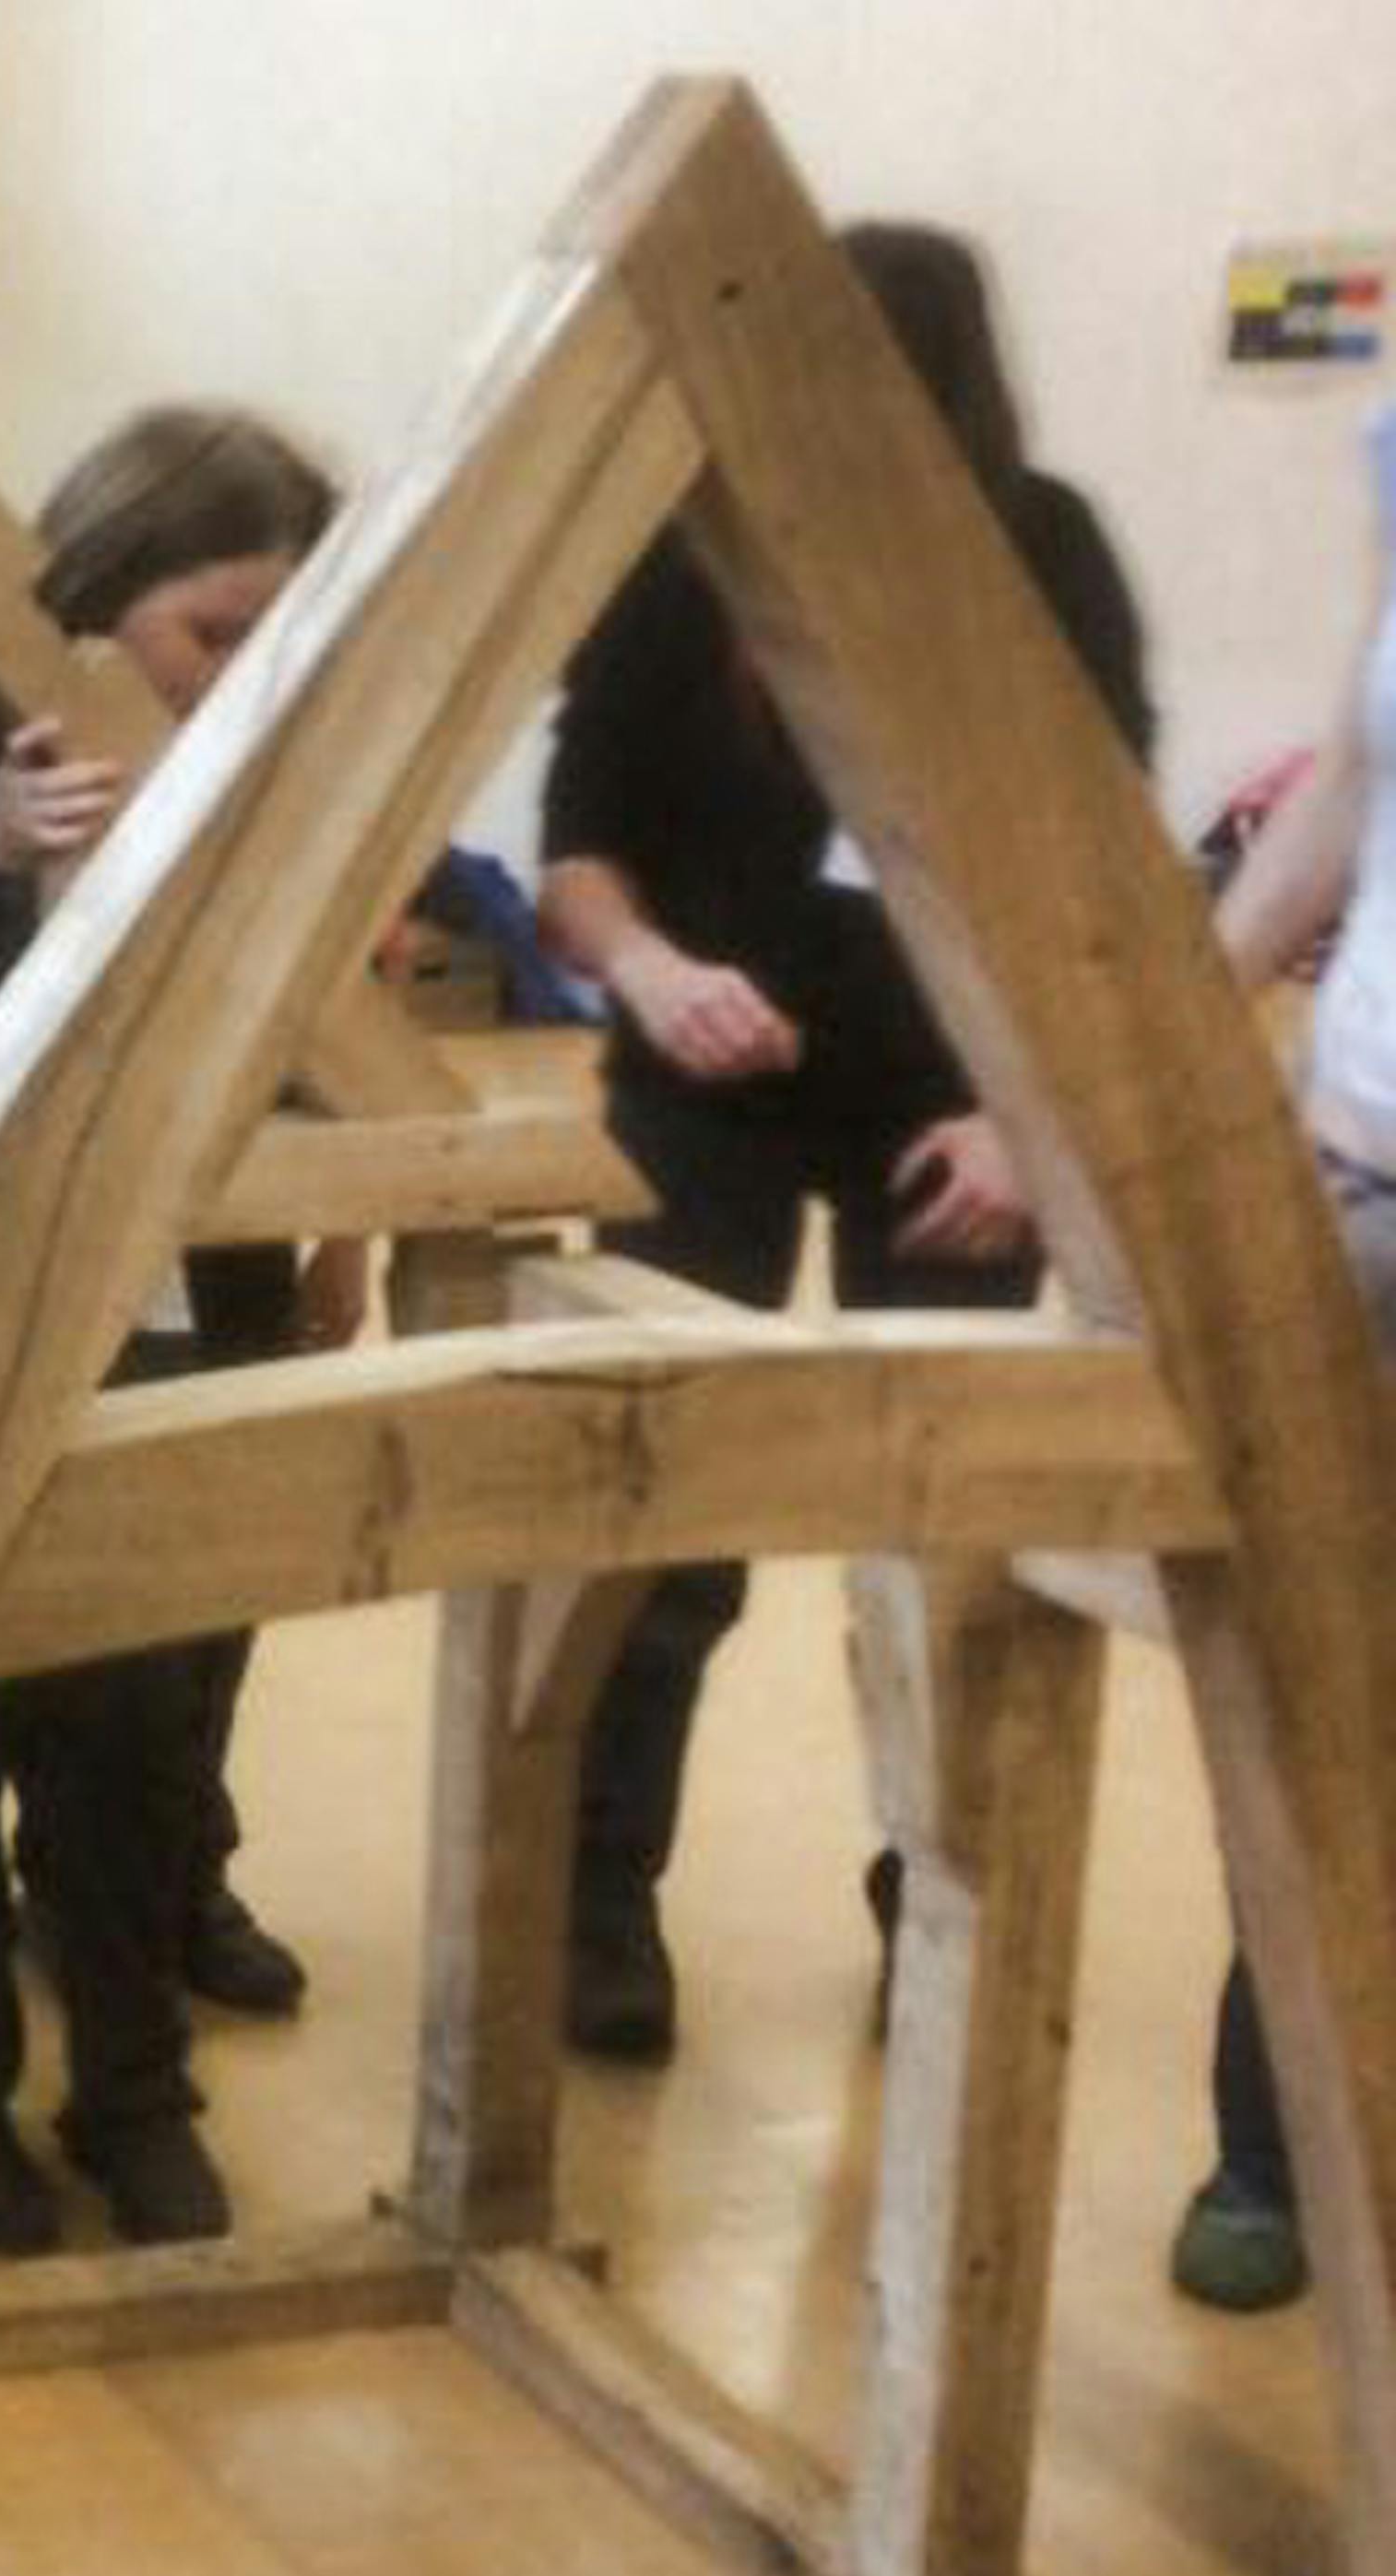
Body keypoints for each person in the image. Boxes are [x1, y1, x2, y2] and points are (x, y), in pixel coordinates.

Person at [532, 223, 1153, 2060]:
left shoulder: (1040, 551)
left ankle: (935, 1906)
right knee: (661, 1503)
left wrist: (1025, 1122)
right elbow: (576, 854)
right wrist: (653, 975)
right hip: (702, 1097)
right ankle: (596, 1901)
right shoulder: (679, 550)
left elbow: (1100, 871)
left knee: (944, 1530)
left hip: (951, 1112)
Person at [0, 403, 349, 2249]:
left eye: (274, 635)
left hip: (182, 1284)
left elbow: (307, 1026)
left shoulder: (273, 761)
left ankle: (132, 2085)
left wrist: (334, 1234)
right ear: (99, 592)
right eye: (211, 631)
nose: (235, 672)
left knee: (142, 1713)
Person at [1175, 389, 1396, 2312]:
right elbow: (1349, 776)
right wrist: (1176, 1016)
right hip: (1363, 1178)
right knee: (1320, 1688)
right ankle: (1279, 2147)